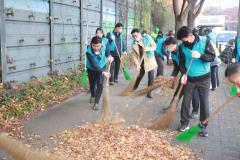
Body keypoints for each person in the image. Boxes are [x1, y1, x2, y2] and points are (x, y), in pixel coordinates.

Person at [177, 26, 215, 137]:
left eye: (185, 40)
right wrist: (184, 73)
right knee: (185, 102)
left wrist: (201, 56)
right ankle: (184, 123)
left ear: (190, 35)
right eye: (182, 41)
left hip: (204, 78)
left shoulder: (205, 41)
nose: (184, 43)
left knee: (204, 103)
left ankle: (203, 126)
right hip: (190, 79)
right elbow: (181, 62)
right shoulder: (182, 47)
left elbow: (212, 57)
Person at [163, 37, 200, 119]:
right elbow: (176, 67)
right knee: (178, 91)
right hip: (184, 74)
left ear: (173, 45)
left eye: (168, 46)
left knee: (194, 93)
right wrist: (173, 75)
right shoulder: (173, 54)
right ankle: (172, 106)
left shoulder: (182, 50)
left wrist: (187, 73)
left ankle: (195, 111)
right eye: (167, 47)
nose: (167, 48)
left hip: (192, 74)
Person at [86, 36, 113, 110]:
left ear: (101, 44)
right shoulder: (88, 51)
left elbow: (108, 53)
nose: (95, 48)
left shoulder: (104, 45)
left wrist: (110, 57)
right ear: (91, 44)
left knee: (100, 84)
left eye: (97, 46)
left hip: (102, 66)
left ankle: (96, 103)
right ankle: (93, 95)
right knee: (92, 83)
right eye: (93, 45)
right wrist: (103, 72)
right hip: (91, 69)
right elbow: (93, 64)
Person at [131, 28, 157, 98]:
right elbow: (134, 56)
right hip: (141, 62)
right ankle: (135, 86)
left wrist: (148, 48)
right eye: (133, 36)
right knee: (139, 76)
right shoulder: (133, 44)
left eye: (135, 35)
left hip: (150, 60)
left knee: (151, 77)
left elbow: (154, 46)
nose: (134, 37)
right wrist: (137, 65)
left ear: (139, 34)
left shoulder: (147, 37)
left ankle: (149, 92)